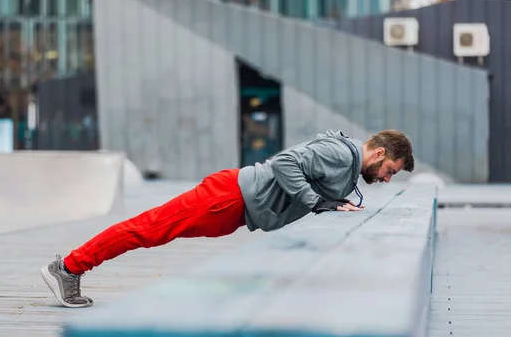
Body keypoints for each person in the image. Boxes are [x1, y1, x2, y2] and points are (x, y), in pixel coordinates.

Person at [41, 129, 414, 308]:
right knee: (146, 229)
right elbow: (285, 162)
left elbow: (310, 181)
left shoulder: (347, 162)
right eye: (390, 170)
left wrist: (333, 202)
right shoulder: (341, 154)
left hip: (233, 204)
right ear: (379, 151)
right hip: (228, 198)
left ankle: (71, 266)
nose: (386, 179)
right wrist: (316, 200)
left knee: (151, 230)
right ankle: (69, 266)